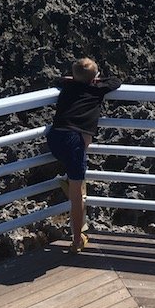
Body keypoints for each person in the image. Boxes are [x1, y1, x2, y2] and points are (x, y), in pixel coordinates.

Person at [47, 57, 121, 253]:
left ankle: (71, 182)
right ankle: (77, 240)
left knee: (73, 175)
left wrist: (71, 78)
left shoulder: (67, 86)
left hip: (55, 137)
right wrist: (98, 80)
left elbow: (57, 80)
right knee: (77, 196)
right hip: (74, 143)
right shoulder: (97, 88)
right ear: (94, 78)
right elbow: (116, 81)